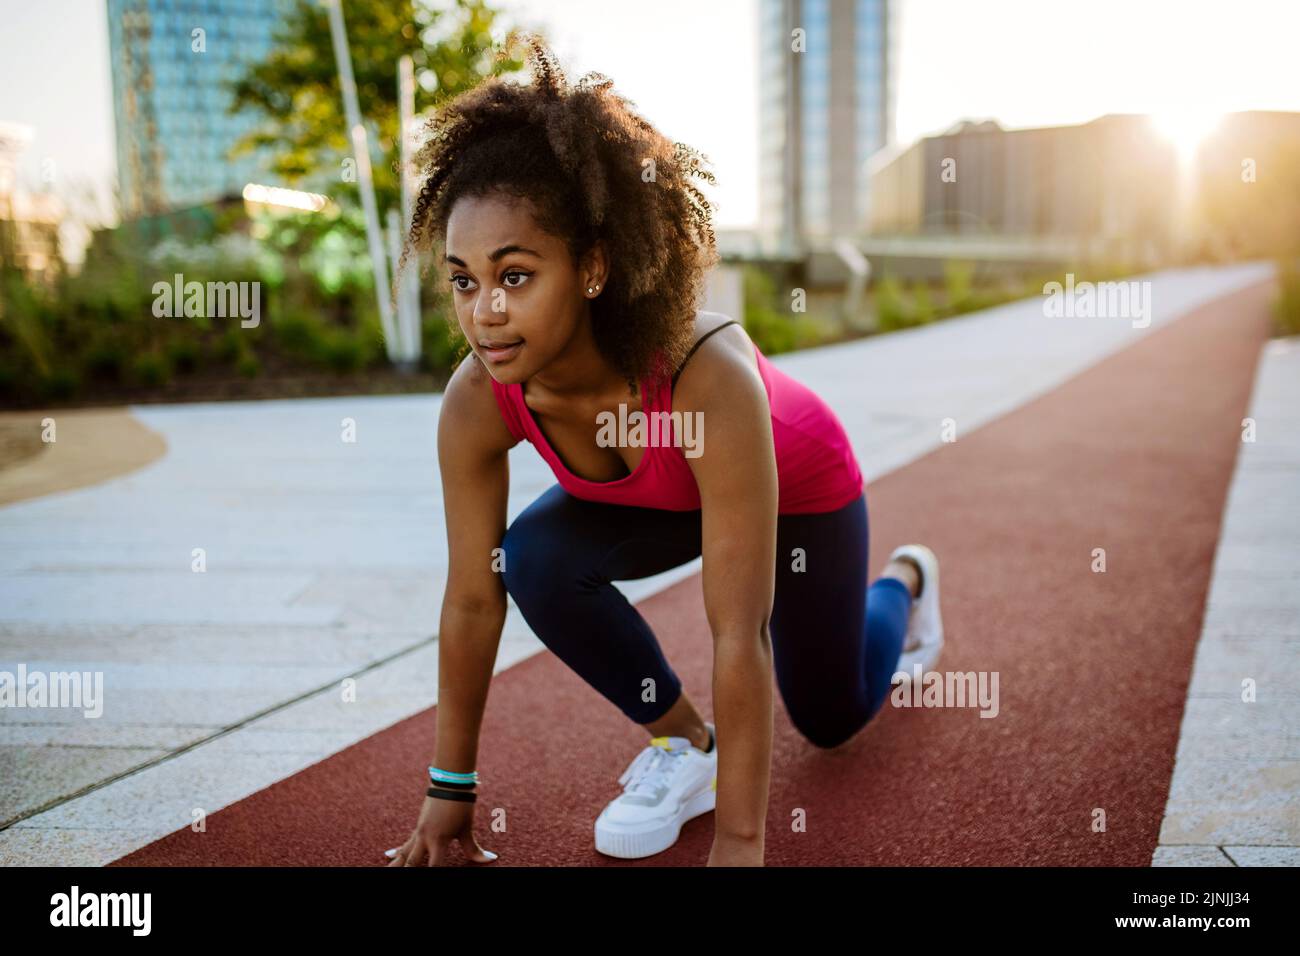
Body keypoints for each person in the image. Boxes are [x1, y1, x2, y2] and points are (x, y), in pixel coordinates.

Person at [385, 32, 943, 868]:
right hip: (660, 500)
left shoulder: (702, 375)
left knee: (829, 717)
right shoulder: (477, 398)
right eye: (464, 280)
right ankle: (686, 742)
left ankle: (904, 584)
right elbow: (472, 599)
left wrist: (744, 845)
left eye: (516, 275)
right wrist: (449, 788)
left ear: (594, 268)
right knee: (529, 557)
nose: (484, 312)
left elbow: (737, 629)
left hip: (800, 491)